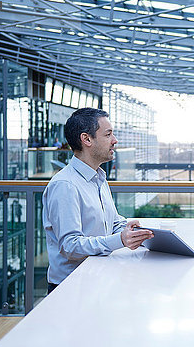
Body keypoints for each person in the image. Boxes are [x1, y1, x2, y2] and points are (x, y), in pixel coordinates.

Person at [42, 108, 153, 292]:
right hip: (70, 289)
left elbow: (113, 223)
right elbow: (70, 246)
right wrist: (120, 240)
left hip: (97, 279)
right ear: (87, 139)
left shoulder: (99, 178)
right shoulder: (65, 185)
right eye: (108, 134)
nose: (115, 141)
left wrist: (140, 234)